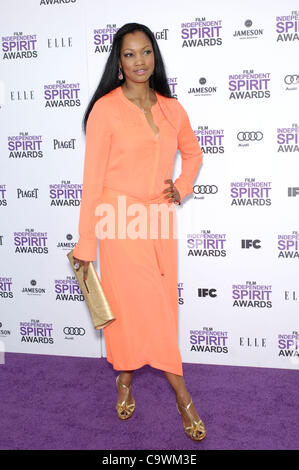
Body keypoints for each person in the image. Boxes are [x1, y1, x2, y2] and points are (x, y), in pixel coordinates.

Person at [72, 22, 205, 441]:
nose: (139, 61)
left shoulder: (171, 108)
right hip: (118, 221)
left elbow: (193, 153)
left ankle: (124, 377)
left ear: (154, 55)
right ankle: (184, 398)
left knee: (155, 308)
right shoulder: (105, 109)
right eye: (129, 54)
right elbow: (92, 181)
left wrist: (180, 187)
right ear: (118, 60)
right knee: (149, 311)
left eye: (145, 52)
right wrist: (85, 242)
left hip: (159, 221)